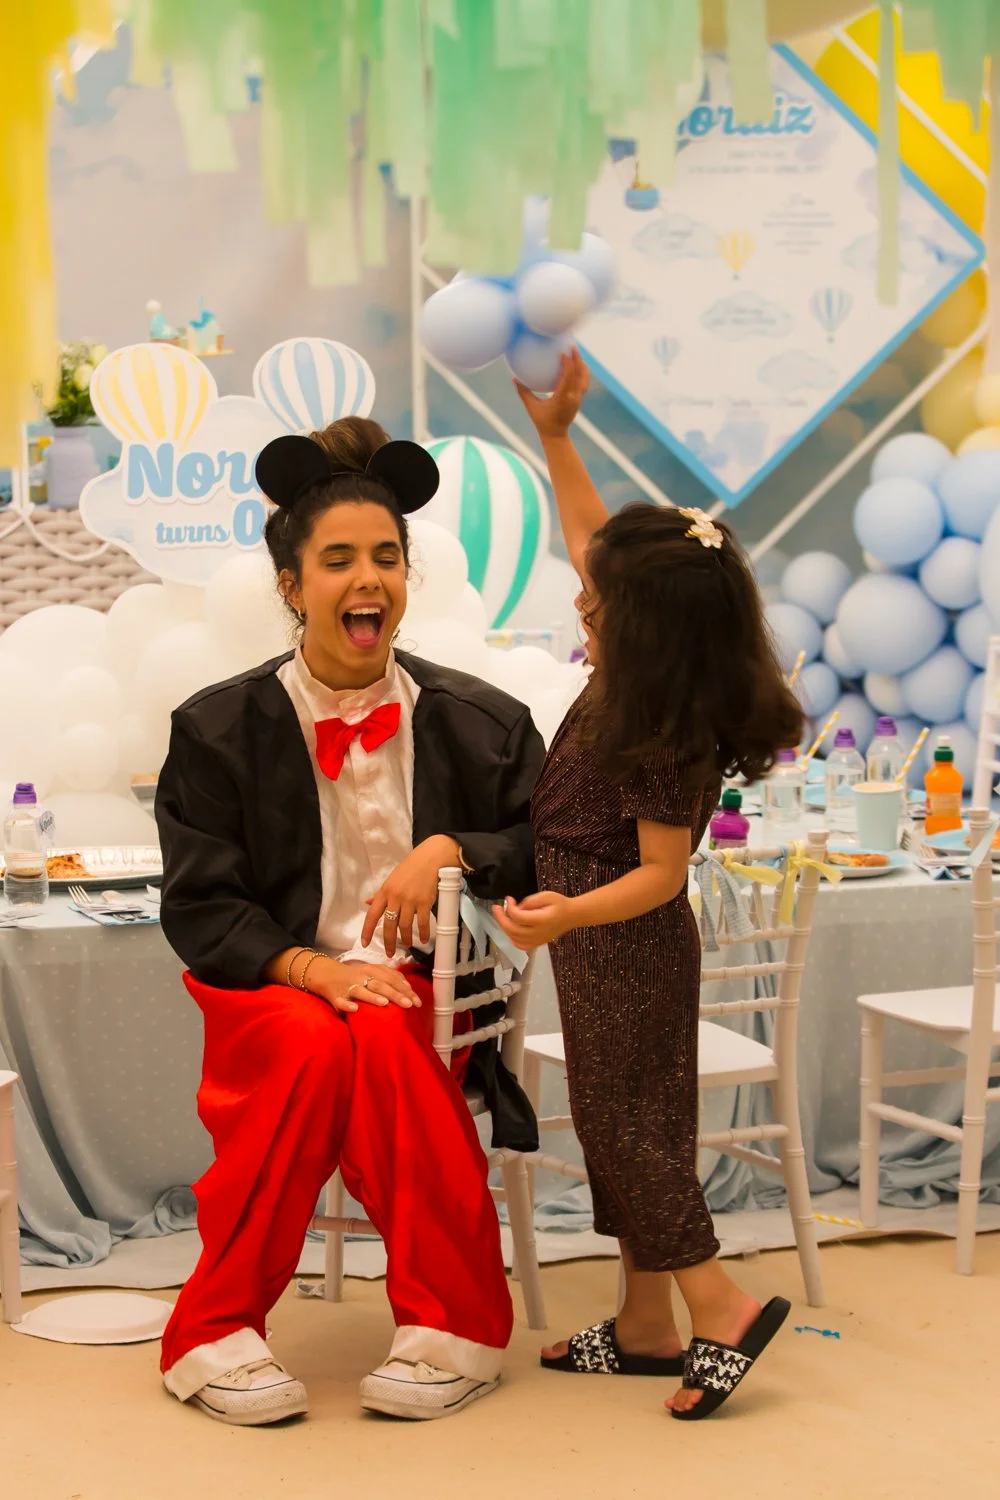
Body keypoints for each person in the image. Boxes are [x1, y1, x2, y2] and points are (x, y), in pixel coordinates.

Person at [155, 417, 544, 1427]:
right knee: (318, 1046)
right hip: (274, 987)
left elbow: (551, 847)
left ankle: (449, 1327)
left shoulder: (483, 722)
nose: (367, 579)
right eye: (338, 560)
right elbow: (201, 902)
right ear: (291, 584)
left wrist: (451, 847)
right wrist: (307, 968)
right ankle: (215, 1331)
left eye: (387, 557)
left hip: (428, 985)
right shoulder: (215, 728)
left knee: (377, 1028)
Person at [494, 351, 804, 1421]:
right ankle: (642, 1325)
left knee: (627, 1127)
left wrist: (567, 912)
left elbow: (661, 876)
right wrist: (556, 437)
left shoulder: (662, 727)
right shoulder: (636, 667)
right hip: (597, 942)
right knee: (631, 1118)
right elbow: (594, 542)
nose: (582, 604)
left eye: (600, 602)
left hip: (621, 938)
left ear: (651, 630)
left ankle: (717, 1304)